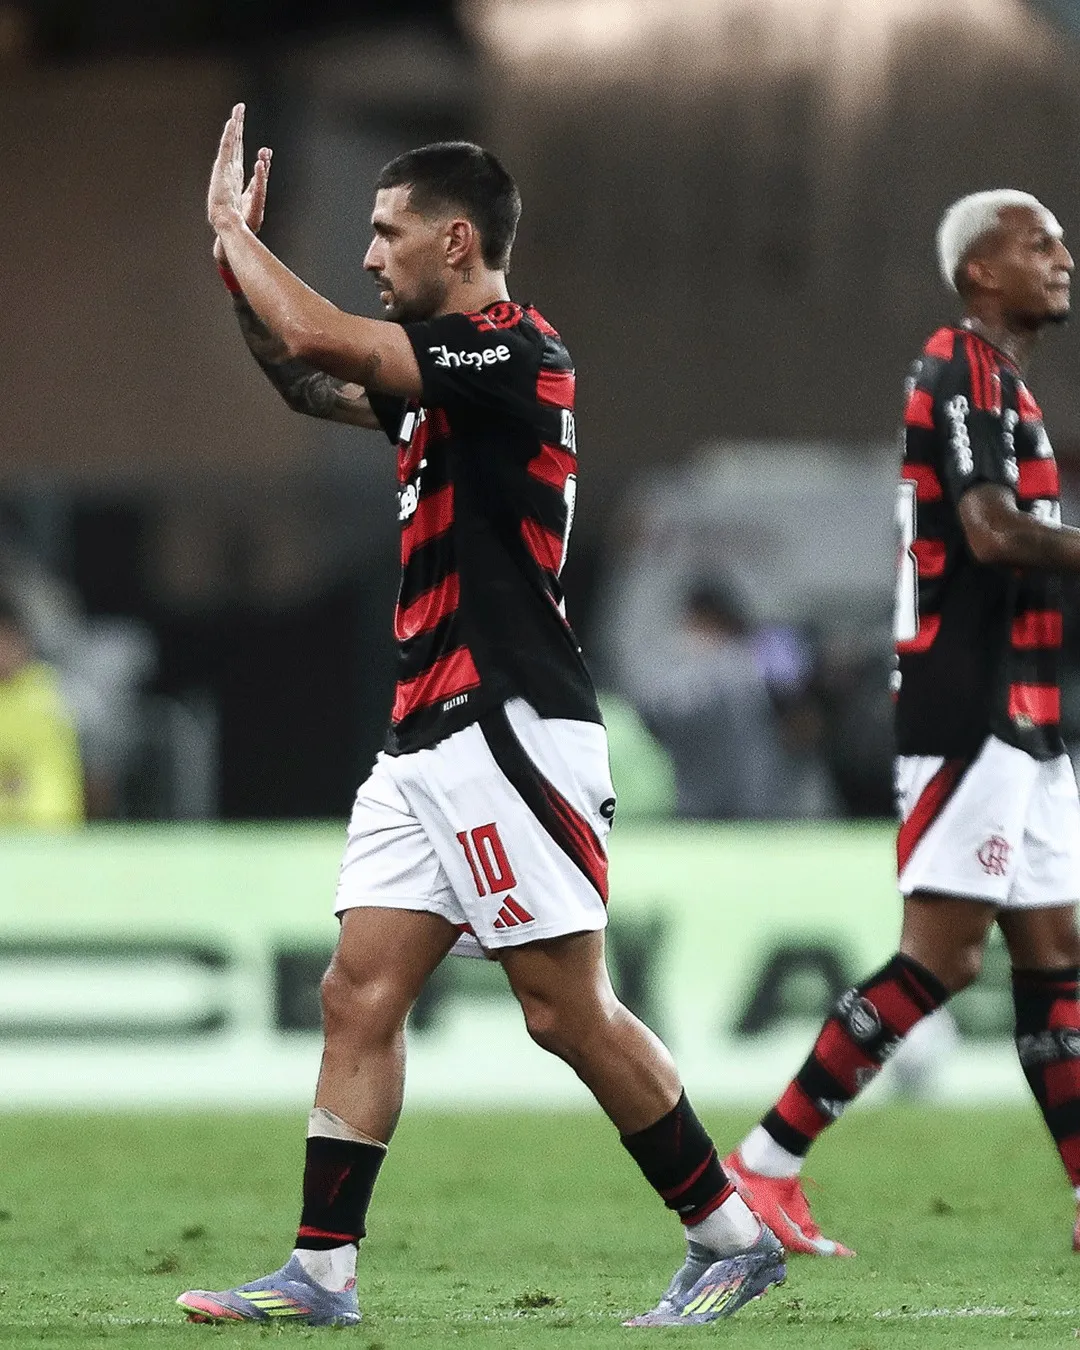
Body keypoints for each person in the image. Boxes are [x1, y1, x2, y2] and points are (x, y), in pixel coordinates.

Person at [176, 105, 785, 1328]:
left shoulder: (510, 355)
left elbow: (317, 329)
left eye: (385, 232)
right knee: (359, 993)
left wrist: (238, 237)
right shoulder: (438, 388)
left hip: (511, 727)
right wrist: (242, 286)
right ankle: (320, 1274)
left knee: (565, 1008)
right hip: (424, 736)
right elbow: (305, 378)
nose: (369, 255)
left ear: (457, 244)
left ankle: (729, 1234)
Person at [724, 189, 1080, 1256]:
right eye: (1040, 242)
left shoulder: (1006, 380)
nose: (1063, 257)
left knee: (1056, 956)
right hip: (969, 704)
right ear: (980, 271)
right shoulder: (958, 363)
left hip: (1029, 709)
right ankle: (764, 1164)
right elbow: (987, 530)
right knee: (942, 958)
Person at [0, 595, 84, 828]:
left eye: (8, 641)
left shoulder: (47, 696)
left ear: (24, 643)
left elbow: (54, 785)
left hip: (43, 834)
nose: (2, 652)